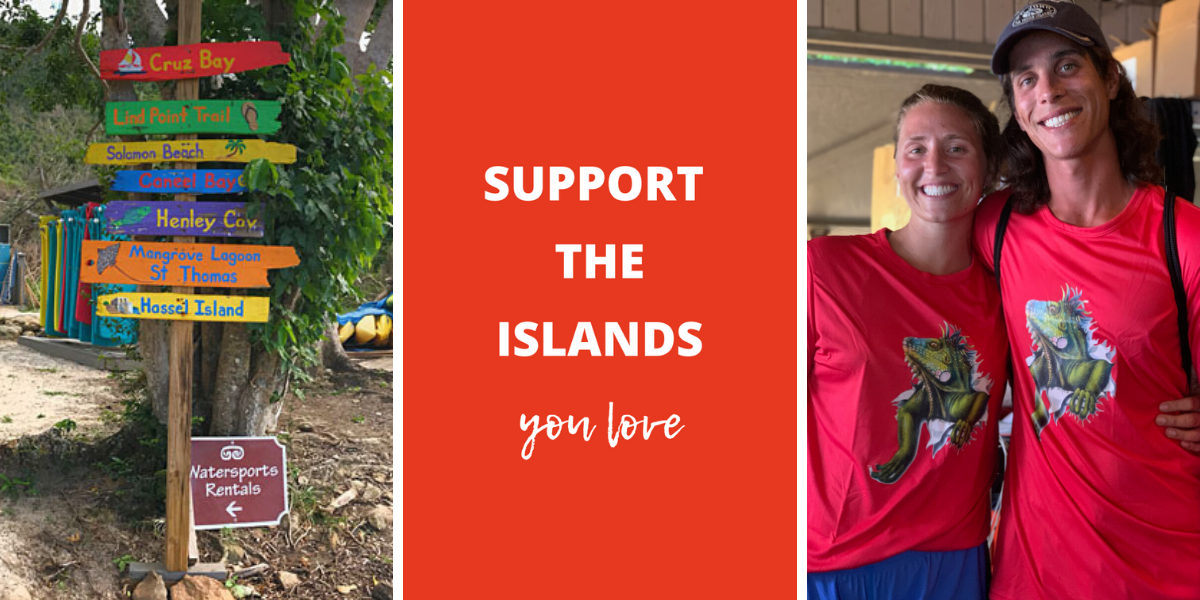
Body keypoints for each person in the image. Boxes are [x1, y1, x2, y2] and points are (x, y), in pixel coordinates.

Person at [976, 3, 1200, 598]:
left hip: (1168, 571)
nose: (1047, 90)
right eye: (1027, 79)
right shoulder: (993, 231)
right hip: (1034, 575)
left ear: (1109, 79)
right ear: (1019, 109)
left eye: (1067, 66)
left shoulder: (1185, 241)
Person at [808, 84, 1007, 599]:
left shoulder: (1009, 290)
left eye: (957, 147)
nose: (934, 165)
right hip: (835, 561)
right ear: (897, 167)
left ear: (987, 169)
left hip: (954, 560)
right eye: (916, 149)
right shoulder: (825, 268)